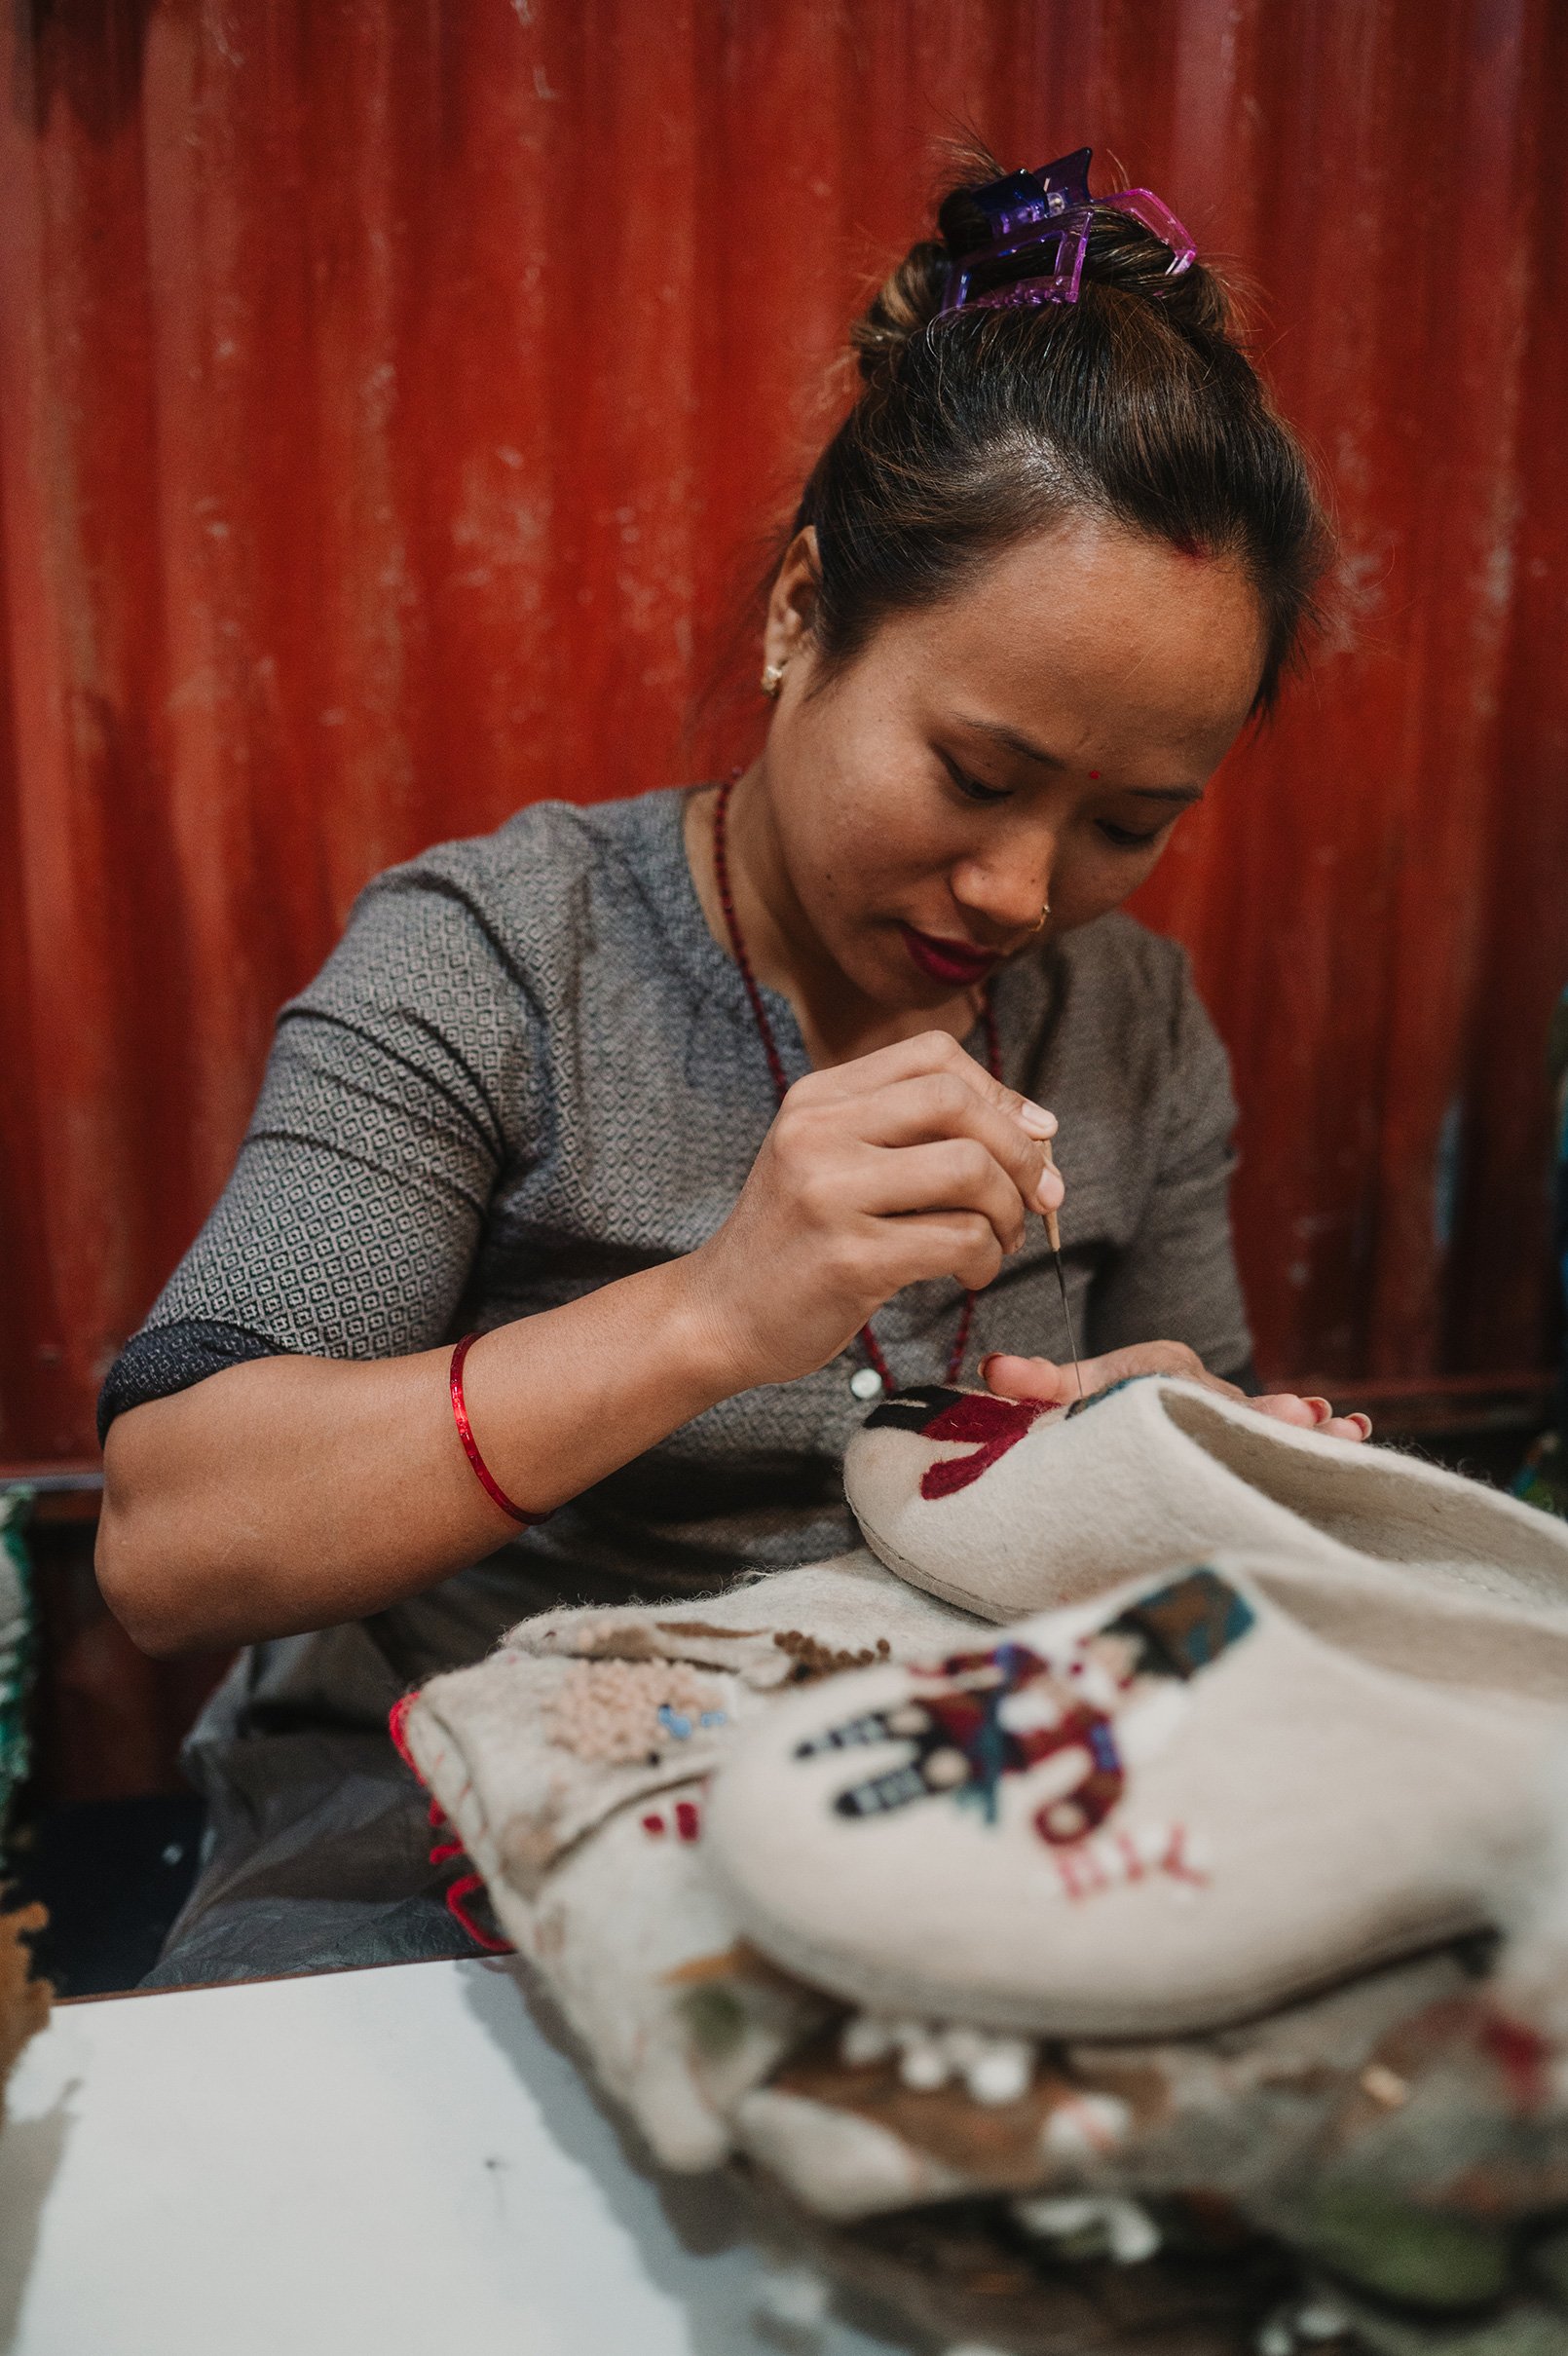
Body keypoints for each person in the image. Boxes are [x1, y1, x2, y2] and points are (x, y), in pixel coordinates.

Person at [95, 145, 1366, 1984]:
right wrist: (711, 1311)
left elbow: (1192, 1578)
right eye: (977, 774)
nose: (1020, 890)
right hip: (442, 1792)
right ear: (798, 617)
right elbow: (169, 1536)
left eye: (1130, 823)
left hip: (936, 1770)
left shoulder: (1136, 1025)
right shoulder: (502, 956)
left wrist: (1174, 1462)